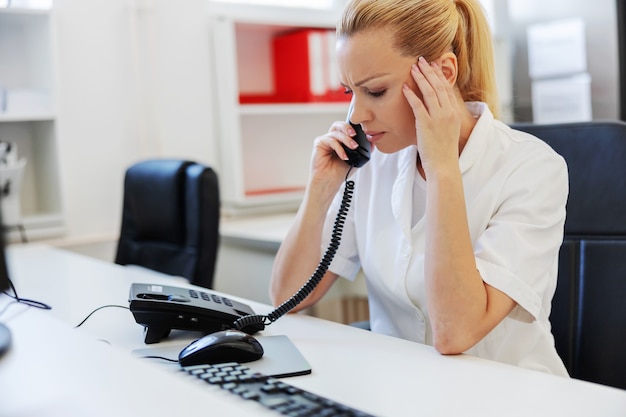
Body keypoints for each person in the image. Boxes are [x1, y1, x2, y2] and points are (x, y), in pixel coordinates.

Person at [269, 0, 569, 376]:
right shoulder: (374, 162)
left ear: (442, 75)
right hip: (403, 392)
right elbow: (286, 297)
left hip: (507, 398)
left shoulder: (532, 169)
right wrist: (320, 189)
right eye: (350, 93)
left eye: (375, 91)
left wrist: (442, 166)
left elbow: (454, 332)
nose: (356, 116)